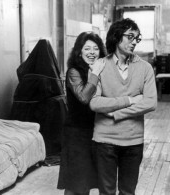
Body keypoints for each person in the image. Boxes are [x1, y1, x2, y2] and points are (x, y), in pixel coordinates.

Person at [89, 18, 157, 195]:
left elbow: (150, 102)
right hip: (104, 140)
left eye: (137, 38)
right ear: (116, 37)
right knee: (106, 192)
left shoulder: (145, 68)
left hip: (133, 140)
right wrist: (130, 100)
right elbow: (95, 103)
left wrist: (115, 114)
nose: (134, 42)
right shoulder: (99, 66)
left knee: (128, 191)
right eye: (130, 37)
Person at [57, 32, 106, 195]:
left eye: (96, 48)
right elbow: (84, 97)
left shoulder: (101, 70)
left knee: (90, 180)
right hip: (76, 134)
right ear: (79, 51)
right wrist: (95, 74)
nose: (92, 52)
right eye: (87, 48)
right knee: (76, 183)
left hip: (96, 131)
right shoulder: (74, 71)